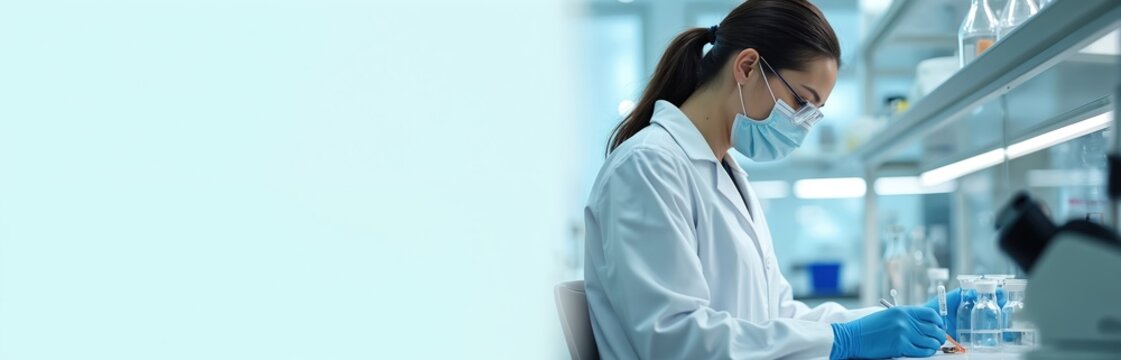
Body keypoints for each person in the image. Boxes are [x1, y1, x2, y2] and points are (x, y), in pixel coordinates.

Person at [582, 0, 966, 358]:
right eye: (801, 102)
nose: (802, 125)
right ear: (747, 67)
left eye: (814, 112)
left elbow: (777, 315)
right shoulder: (648, 166)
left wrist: (901, 319)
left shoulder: (727, 173)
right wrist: (844, 341)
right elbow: (674, 338)